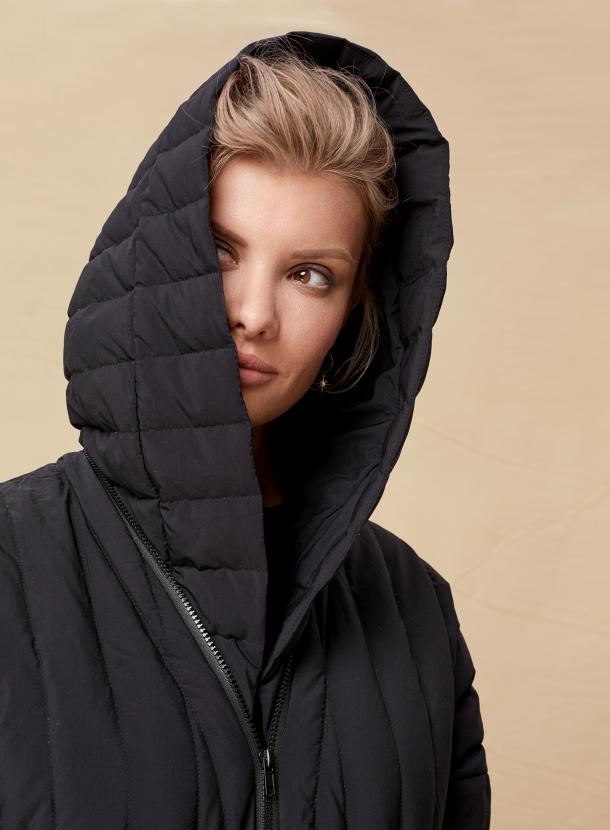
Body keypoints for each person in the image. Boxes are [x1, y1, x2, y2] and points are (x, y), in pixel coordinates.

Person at [0, 30, 491, 829]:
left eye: (309, 275)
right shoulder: (13, 563)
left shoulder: (414, 614)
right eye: (220, 252)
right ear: (156, 264)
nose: (255, 314)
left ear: (354, 314)